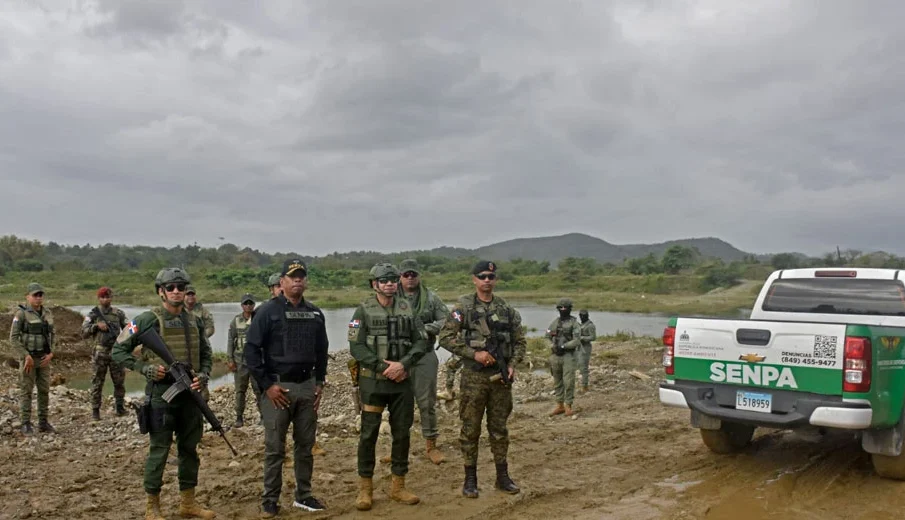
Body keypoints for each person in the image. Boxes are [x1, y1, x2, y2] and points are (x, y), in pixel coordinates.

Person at [111, 268, 216, 520]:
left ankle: (187, 503)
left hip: (190, 394)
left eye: (181, 287)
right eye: (171, 287)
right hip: (162, 394)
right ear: (161, 292)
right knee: (159, 450)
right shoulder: (147, 319)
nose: (177, 291)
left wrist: (203, 375)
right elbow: (118, 350)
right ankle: (152, 508)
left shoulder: (195, 320)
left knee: (189, 449)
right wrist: (145, 368)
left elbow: (206, 355)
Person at [245, 259, 328, 517]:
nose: (298, 281)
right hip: (277, 389)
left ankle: (303, 495)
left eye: (302, 276)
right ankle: (270, 499)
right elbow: (251, 351)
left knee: (305, 446)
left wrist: (320, 383)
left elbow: (322, 351)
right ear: (282, 282)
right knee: (274, 448)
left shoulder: (315, 313)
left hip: (306, 387)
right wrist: (267, 386)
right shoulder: (267, 312)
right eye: (293, 277)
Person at [438, 260, 525, 498]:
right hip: (474, 377)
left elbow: (520, 342)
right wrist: (474, 353)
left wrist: (512, 365)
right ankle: (470, 479)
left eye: (491, 276)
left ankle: (502, 477)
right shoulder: (463, 307)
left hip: (500, 380)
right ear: (474, 279)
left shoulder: (506, 310)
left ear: (496, 280)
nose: (487, 280)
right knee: (470, 429)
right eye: (482, 276)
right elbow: (445, 337)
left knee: (499, 429)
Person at [348, 263, 428, 511]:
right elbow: (356, 347)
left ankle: (398, 486)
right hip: (373, 382)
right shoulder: (362, 310)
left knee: (402, 433)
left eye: (393, 279)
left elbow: (421, 341)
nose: (390, 284)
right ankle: (365, 488)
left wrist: (403, 364)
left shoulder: (408, 309)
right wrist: (384, 367)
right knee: (368, 435)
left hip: (402, 383)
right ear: (375, 284)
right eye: (384, 280)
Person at [397, 258, 449, 465]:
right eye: (406, 275)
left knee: (427, 403)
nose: (410, 278)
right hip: (399, 356)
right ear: (400, 277)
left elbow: (446, 320)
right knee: (399, 404)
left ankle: (431, 445)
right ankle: (398, 447)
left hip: (424, 355)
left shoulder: (431, 299)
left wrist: (425, 329)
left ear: (419, 276)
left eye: (413, 274)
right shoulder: (390, 296)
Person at [10, 282, 55, 435]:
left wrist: (51, 353)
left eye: (40, 295)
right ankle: (25, 423)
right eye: (35, 295)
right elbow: (14, 338)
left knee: (44, 390)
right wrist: (25, 355)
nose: (38, 298)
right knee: (26, 391)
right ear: (27, 296)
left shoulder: (47, 313)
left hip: (44, 359)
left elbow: (52, 335)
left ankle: (43, 422)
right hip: (28, 359)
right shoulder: (21, 314)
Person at [81, 286, 129, 420]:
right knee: (97, 382)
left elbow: (128, 329)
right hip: (100, 353)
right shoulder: (93, 314)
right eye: (102, 297)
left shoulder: (118, 313)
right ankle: (95, 411)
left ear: (111, 298)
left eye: (108, 297)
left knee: (119, 382)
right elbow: (83, 332)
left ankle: (120, 408)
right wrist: (96, 326)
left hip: (116, 352)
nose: (105, 299)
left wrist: (125, 342)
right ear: (99, 298)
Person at [227, 293, 261, 427]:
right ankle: (239, 418)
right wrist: (230, 359)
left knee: (258, 389)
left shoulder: (259, 319)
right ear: (241, 305)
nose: (248, 306)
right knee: (240, 391)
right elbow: (231, 340)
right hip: (240, 361)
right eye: (246, 303)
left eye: (250, 303)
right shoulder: (235, 321)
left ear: (254, 305)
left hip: (256, 361)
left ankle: (263, 416)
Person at [545, 298, 582, 416]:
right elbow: (546, 336)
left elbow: (576, 340)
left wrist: (563, 346)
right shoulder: (554, 323)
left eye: (565, 308)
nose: (563, 310)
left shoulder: (574, 323)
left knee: (569, 381)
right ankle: (559, 405)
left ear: (570, 309)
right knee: (557, 381)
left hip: (568, 355)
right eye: (560, 308)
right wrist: (552, 346)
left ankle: (568, 405)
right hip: (555, 355)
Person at [185, 285, 214, 401]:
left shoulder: (202, 311)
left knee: (201, 379)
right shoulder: (179, 310)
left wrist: (199, 338)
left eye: (192, 294)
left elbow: (210, 328)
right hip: (183, 350)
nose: (190, 297)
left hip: (199, 349)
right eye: (188, 294)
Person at [577, 309, 597, 393]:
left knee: (584, 367)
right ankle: (582, 384)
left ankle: (585, 386)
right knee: (578, 366)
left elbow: (593, 337)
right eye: (581, 316)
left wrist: (582, 338)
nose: (582, 317)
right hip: (579, 347)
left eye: (583, 316)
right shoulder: (580, 324)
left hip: (585, 347)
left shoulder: (590, 325)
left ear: (587, 316)